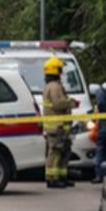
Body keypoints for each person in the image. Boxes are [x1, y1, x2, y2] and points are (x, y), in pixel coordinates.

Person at [42, 56, 76, 188]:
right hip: (57, 126)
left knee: (63, 152)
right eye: (60, 69)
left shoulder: (50, 86)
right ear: (56, 70)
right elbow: (58, 104)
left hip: (58, 126)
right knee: (55, 152)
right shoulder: (55, 87)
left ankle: (61, 176)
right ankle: (52, 178)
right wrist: (71, 102)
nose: (62, 72)